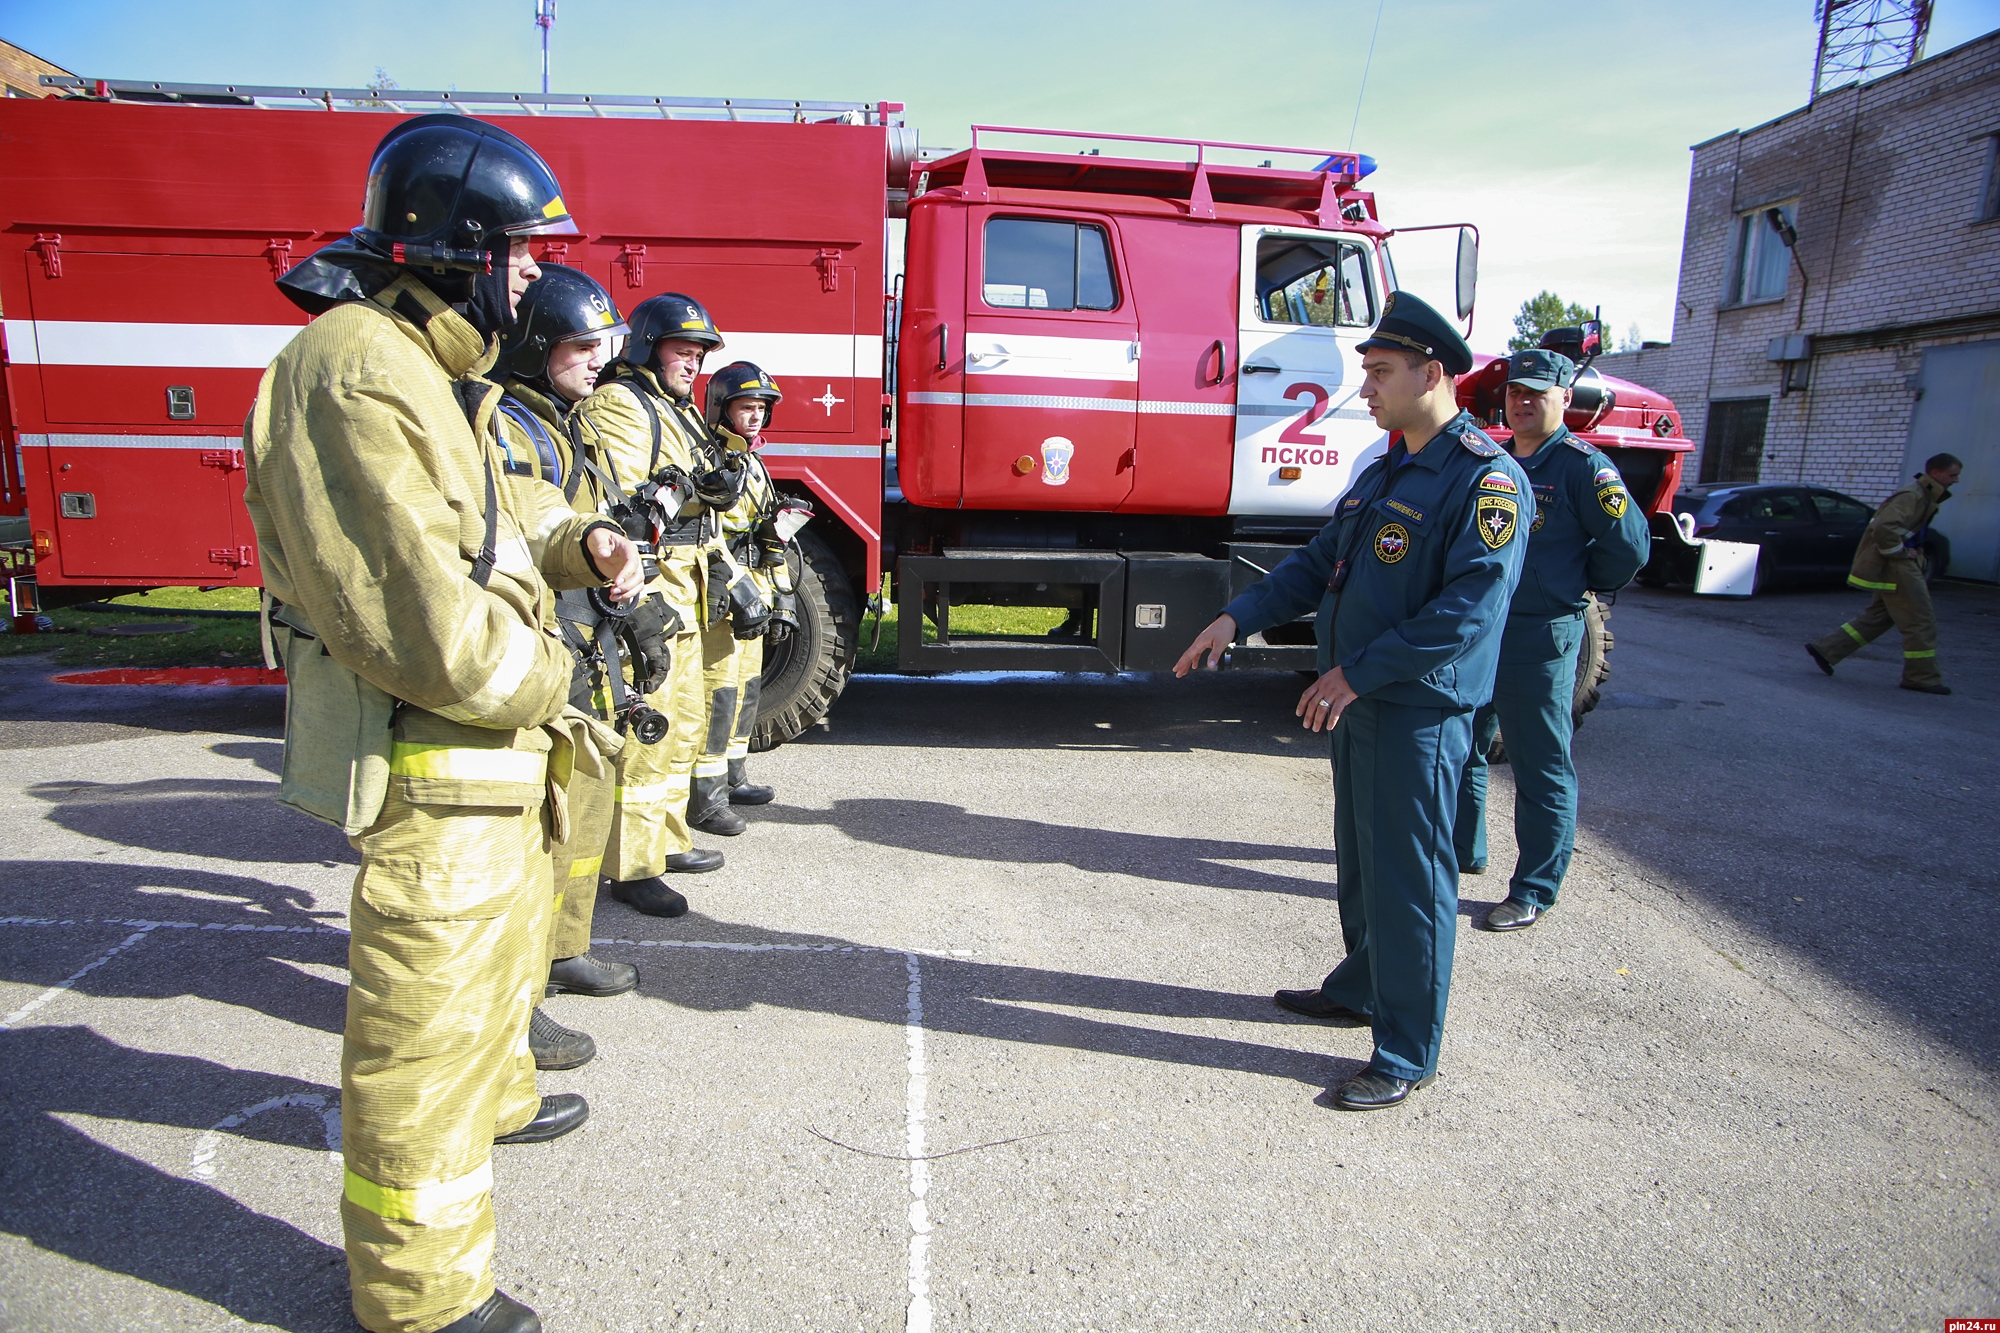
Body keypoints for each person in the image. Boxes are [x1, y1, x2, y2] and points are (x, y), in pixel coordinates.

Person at [244, 115, 643, 1333]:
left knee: (482, 1001)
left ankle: (498, 1112)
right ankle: (419, 1301)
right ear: (457, 244)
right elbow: (418, 619)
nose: (532, 277)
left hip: (477, 752)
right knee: (422, 1036)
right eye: (520, 252)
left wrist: (582, 544)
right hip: (437, 749)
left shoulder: (426, 367)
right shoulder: (360, 365)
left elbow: (486, 532)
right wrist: (549, 681)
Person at [1174, 291, 1530, 1113]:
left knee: (1411, 879)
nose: (1362, 389)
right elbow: (1317, 562)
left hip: (1416, 711)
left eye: (1378, 373)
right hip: (1364, 707)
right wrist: (1235, 616)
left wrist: (1356, 673)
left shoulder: (1486, 478)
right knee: (1366, 865)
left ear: (1432, 373)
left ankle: (1407, 1049)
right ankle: (1363, 985)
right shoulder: (1391, 466)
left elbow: (1468, 609)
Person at [492, 263, 643, 1072]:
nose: (597, 358)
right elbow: (524, 538)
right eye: (581, 344)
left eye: (603, 344)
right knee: (542, 828)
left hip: (590, 633)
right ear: (534, 345)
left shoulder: (568, 421)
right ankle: (521, 1001)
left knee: (585, 810)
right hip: (551, 640)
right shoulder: (513, 426)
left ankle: (562, 949)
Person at [1452, 349, 1651, 932]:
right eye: (1516, 392)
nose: (1523, 401)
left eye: (1537, 392)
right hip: (1483, 630)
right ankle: (1466, 851)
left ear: (1565, 398)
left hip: (1541, 634)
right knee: (1466, 744)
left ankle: (1535, 888)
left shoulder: (1584, 468)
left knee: (1540, 764)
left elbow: (1629, 548)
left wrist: (1574, 586)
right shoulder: (1489, 458)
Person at [572, 293, 746, 915]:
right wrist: (684, 493)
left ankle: (666, 837)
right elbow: (620, 505)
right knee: (651, 726)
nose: (694, 363)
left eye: (700, 353)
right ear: (649, 346)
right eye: (683, 349)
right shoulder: (622, 404)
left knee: (687, 720)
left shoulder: (677, 410)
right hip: (657, 579)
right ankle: (631, 865)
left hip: (692, 579)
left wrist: (712, 491)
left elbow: (690, 487)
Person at [687, 361, 798, 832]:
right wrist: (741, 589)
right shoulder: (710, 458)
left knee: (747, 683)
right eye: (746, 408)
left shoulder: (750, 459)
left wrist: (781, 595)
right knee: (719, 688)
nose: (755, 417)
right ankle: (705, 798)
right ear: (721, 408)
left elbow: (762, 532)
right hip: (723, 587)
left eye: (760, 409)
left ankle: (733, 775)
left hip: (753, 579)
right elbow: (706, 536)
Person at [1807, 453, 1962, 695]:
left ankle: (1827, 649)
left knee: (1880, 616)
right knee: (1921, 621)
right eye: (1953, 475)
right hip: (1897, 566)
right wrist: (1900, 552)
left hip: (1897, 564)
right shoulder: (1914, 495)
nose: (1956, 480)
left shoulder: (1922, 495)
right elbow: (1883, 526)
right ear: (1936, 473)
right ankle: (1921, 677)